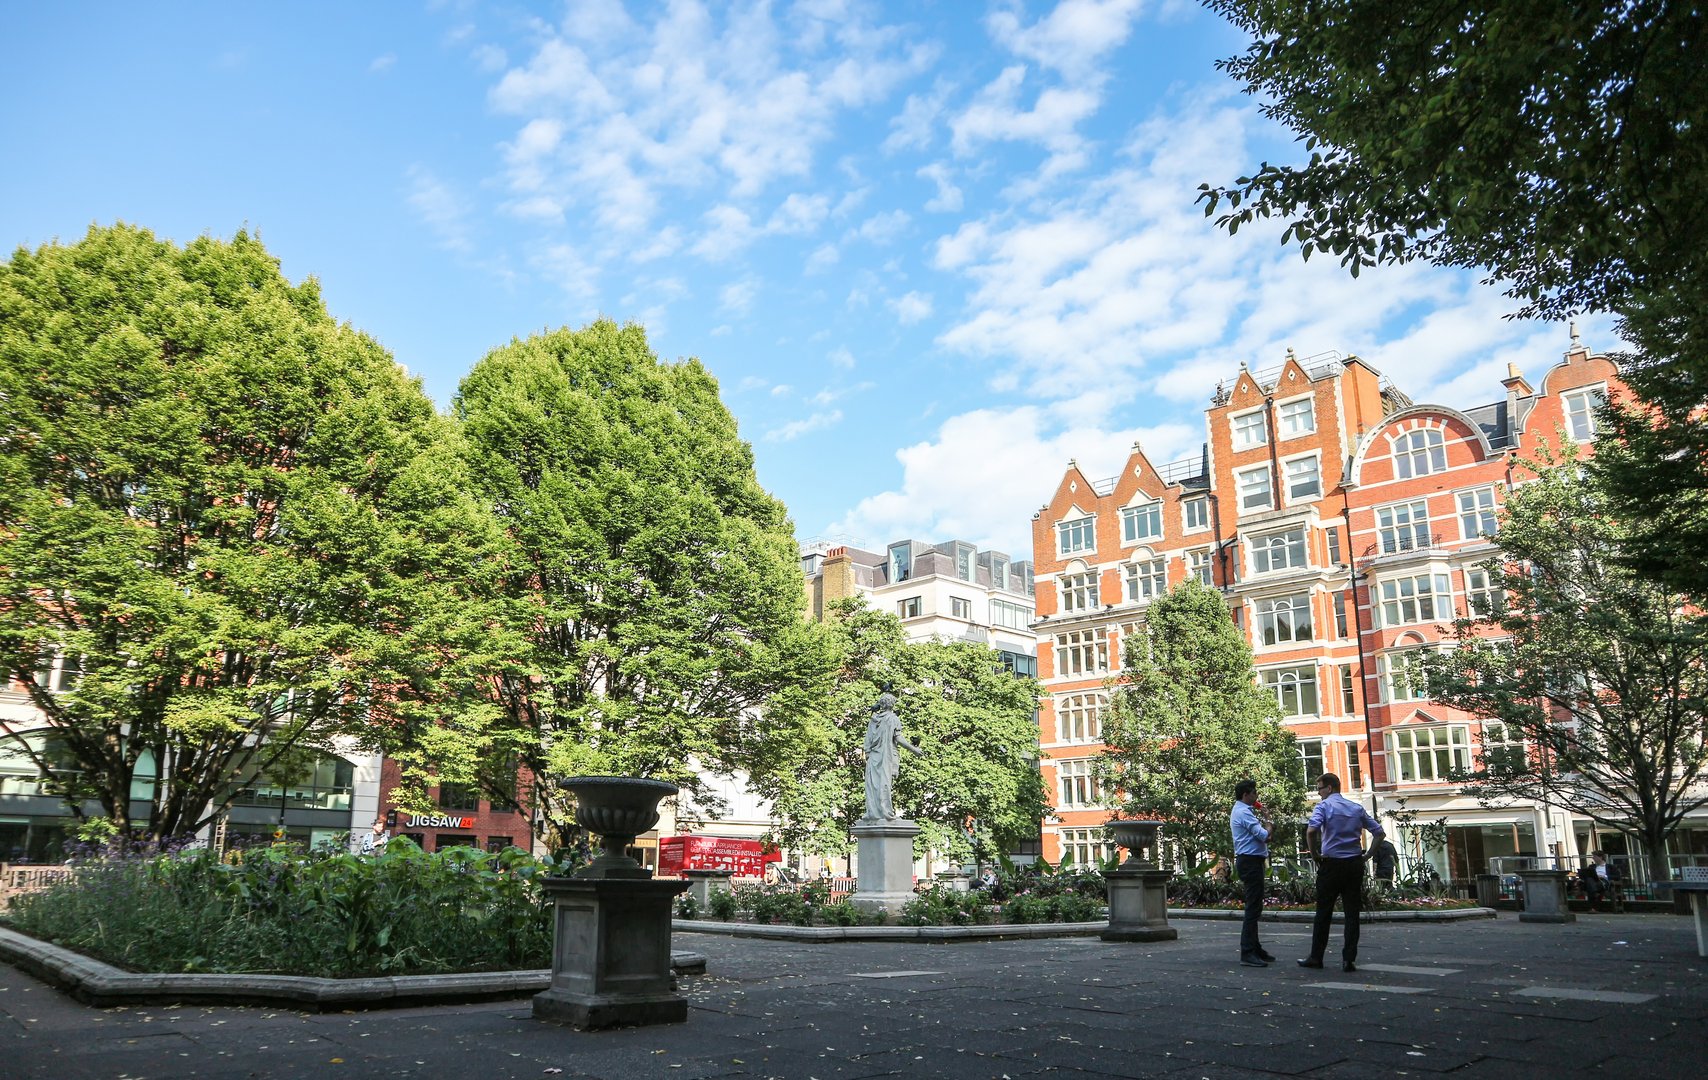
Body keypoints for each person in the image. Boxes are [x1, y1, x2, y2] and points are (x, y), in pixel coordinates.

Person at [1300, 773, 1383, 973]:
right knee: (1352, 913)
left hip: (1331, 864)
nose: (1319, 793)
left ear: (1329, 788)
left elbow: (1311, 831)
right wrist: (1367, 855)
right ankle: (1348, 959)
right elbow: (1379, 833)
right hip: (1354, 863)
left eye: (1320, 789)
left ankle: (1316, 957)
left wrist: (1315, 854)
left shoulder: (1323, 807)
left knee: (1324, 912)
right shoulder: (1356, 808)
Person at [1230, 778, 1276, 968]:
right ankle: (1248, 951)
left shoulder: (1243, 811)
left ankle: (1255, 948)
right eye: (1254, 792)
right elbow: (1265, 835)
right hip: (1250, 861)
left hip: (1251, 860)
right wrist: (1268, 819)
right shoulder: (1243, 813)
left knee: (1255, 906)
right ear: (1245, 794)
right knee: (1253, 908)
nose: (1257, 796)